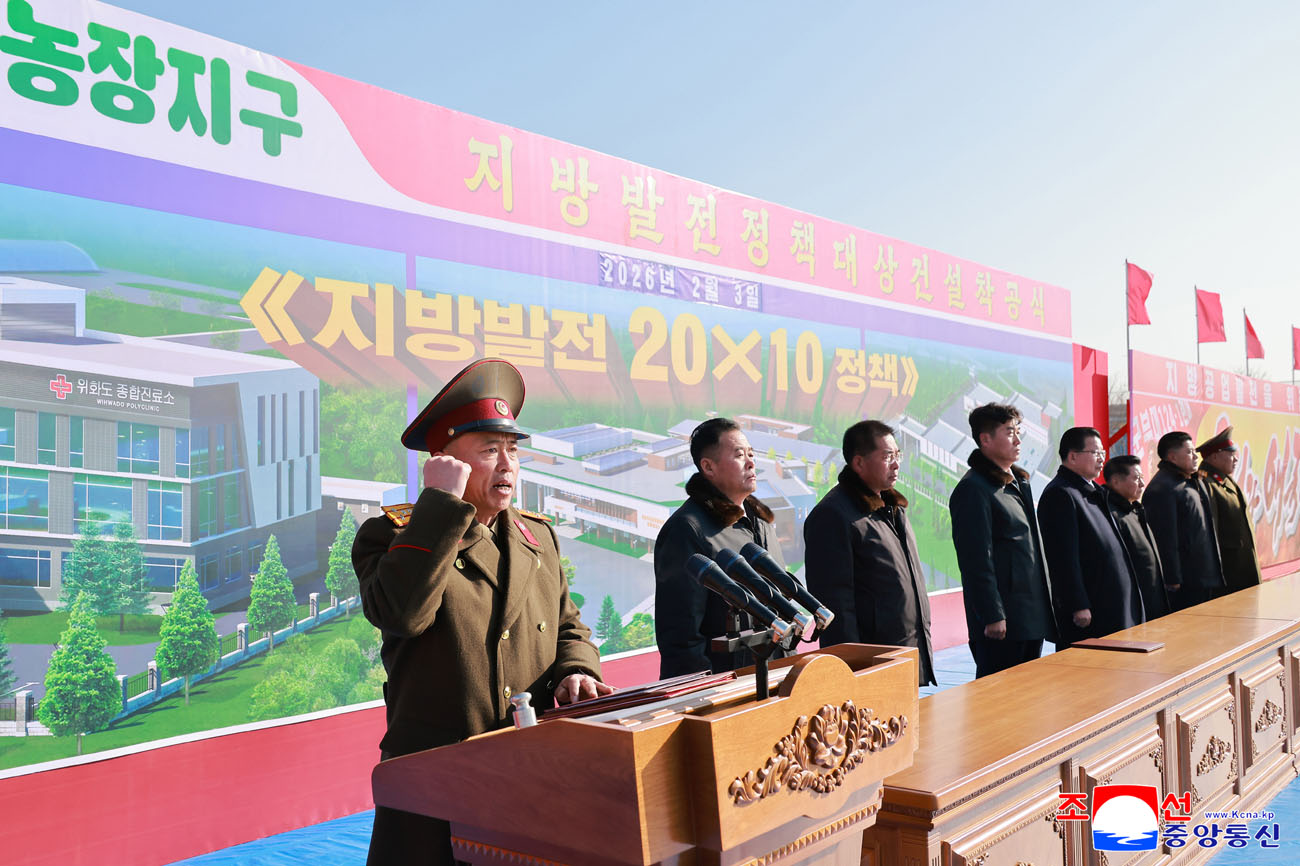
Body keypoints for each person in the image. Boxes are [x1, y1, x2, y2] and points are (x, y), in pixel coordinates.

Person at [352, 359, 609, 866]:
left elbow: (566, 625)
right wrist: (439, 505)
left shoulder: (538, 539)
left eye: (513, 450)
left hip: (527, 764)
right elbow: (403, 615)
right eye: (489, 451)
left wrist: (577, 669)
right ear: (446, 462)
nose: (508, 466)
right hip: (437, 774)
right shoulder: (395, 536)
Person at [654, 417, 790, 678]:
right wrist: (705, 698)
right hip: (728, 686)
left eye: (751, 453)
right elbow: (682, 636)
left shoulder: (760, 522)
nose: (751, 462)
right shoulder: (687, 530)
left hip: (774, 675)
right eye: (739, 455)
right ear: (708, 467)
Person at [803, 420, 936, 686]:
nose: (897, 463)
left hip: (907, 650)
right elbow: (835, 603)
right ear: (859, 463)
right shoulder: (833, 515)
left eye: (898, 455)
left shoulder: (892, 506)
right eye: (888, 456)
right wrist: (852, 669)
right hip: (873, 662)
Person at [949, 403, 1056, 678]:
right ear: (985, 439)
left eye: (1018, 431)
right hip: (1002, 622)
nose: (1018, 440)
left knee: (1028, 698)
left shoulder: (1017, 483)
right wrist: (992, 614)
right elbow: (975, 559)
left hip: (1029, 614)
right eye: (1010, 432)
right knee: (999, 701)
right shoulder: (974, 489)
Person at [1037, 427, 1144, 645]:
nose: (1101, 459)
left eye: (1103, 453)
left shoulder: (1094, 492)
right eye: (1095, 453)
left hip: (1113, 604)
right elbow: (1063, 557)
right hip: (1092, 610)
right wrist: (1077, 604)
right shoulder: (1061, 494)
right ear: (1073, 456)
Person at [1142, 431, 1225, 610]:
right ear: (1172, 456)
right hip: (1186, 581)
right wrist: (1172, 578)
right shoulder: (1162, 488)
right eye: (1189, 452)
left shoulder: (1192, 481)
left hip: (1204, 575)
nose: (1195, 456)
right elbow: (1164, 538)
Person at [1102, 455, 1170, 620]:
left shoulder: (1133, 509)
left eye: (1142, 478)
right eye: (1136, 478)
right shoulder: (1110, 514)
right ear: (1116, 481)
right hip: (1134, 604)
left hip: (1152, 597)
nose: (1142, 483)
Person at [1197, 427, 1262, 593]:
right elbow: (1211, 530)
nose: (1236, 459)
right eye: (1231, 454)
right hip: (1229, 570)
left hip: (1241, 565)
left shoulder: (1224, 480)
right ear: (1215, 456)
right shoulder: (1207, 483)